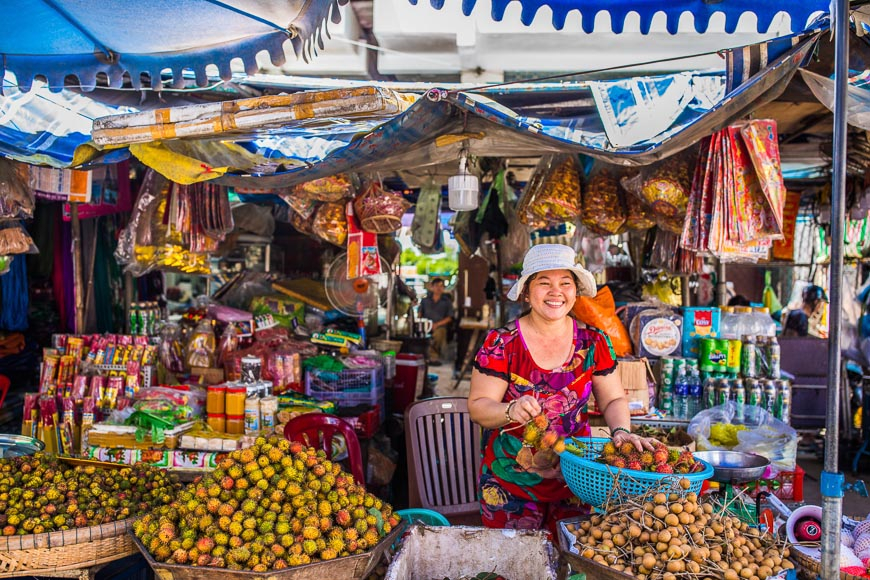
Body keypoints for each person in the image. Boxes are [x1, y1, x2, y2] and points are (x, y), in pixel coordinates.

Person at [467, 244, 656, 533]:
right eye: (544, 283)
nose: (556, 292)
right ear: (527, 292)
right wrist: (510, 409)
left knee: (571, 557)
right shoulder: (502, 343)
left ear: (575, 291)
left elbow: (614, 398)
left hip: (576, 480)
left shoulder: (594, 342)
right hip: (510, 485)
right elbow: (478, 407)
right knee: (512, 560)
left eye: (565, 283)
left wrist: (620, 431)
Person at [419, 277, 455, 366]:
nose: (439, 288)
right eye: (436, 286)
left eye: (441, 286)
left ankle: (433, 357)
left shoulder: (447, 302)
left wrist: (437, 324)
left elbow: (450, 317)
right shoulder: (425, 300)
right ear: (432, 287)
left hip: (440, 326)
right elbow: (420, 314)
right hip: (426, 325)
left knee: (438, 335)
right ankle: (427, 356)